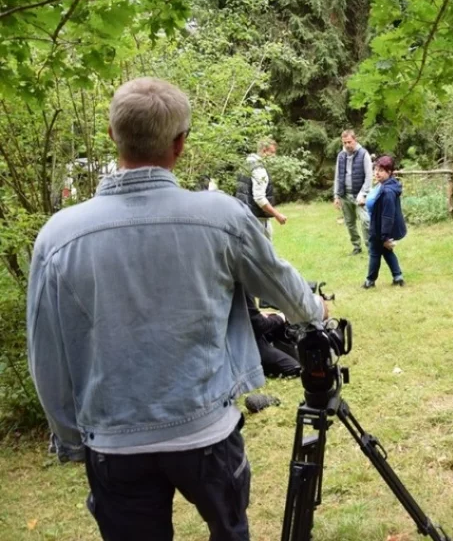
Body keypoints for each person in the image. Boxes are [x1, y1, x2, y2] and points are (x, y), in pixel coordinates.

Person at [26, 77, 328, 541]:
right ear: (180, 143)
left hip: (113, 443)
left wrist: (71, 438)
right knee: (230, 531)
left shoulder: (58, 236)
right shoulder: (221, 217)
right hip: (205, 430)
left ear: (112, 135)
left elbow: (46, 355)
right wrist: (318, 312)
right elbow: (286, 288)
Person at [363, 155, 407, 289]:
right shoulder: (385, 185)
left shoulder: (388, 191)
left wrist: (384, 237)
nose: (377, 173)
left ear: (389, 172)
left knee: (375, 252)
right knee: (387, 252)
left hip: (380, 229)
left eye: (381, 171)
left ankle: (370, 281)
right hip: (379, 226)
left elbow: (388, 216)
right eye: (376, 170)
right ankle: (398, 276)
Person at [235, 137, 287, 240]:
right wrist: (277, 215)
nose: (274, 156)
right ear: (264, 151)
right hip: (258, 220)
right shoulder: (259, 169)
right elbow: (259, 198)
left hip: (245, 216)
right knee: (264, 252)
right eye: (272, 152)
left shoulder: (246, 164)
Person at [333, 130, 372, 255]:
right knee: (350, 223)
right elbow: (338, 176)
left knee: (366, 221)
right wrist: (337, 196)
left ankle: (371, 248)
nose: (347, 145)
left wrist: (363, 194)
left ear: (355, 140)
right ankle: (356, 247)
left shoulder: (364, 154)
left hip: (360, 195)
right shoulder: (341, 156)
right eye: (345, 143)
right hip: (345, 195)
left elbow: (369, 177)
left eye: (349, 142)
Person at [245, 294, 300, 378]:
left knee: (280, 327)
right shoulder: (241, 286)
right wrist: (282, 317)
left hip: (244, 333)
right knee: (293, 367)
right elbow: (259, 325)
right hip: (247, 341)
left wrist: (259, 315)